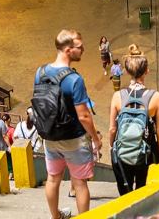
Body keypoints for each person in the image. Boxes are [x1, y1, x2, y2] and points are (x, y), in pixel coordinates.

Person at [35, 30, 102, 218]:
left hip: (50, 137)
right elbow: (84, 116)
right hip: (74, 138)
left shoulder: (40, 73)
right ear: (67, 50)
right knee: (80, 183)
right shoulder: (74, 79)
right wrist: (96, 139)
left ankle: (55, 216)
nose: (83, 50)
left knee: (53, 179)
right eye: (79, 47)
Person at [109, 45, 159, 195]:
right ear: (146, 70)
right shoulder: (155, 97)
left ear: (127, 72)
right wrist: (157, 150)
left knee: (125, 195)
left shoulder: (117, 96)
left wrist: (112, 147)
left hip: (122, 153)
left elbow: (112, 129)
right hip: (145, 154)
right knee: (143, 193)